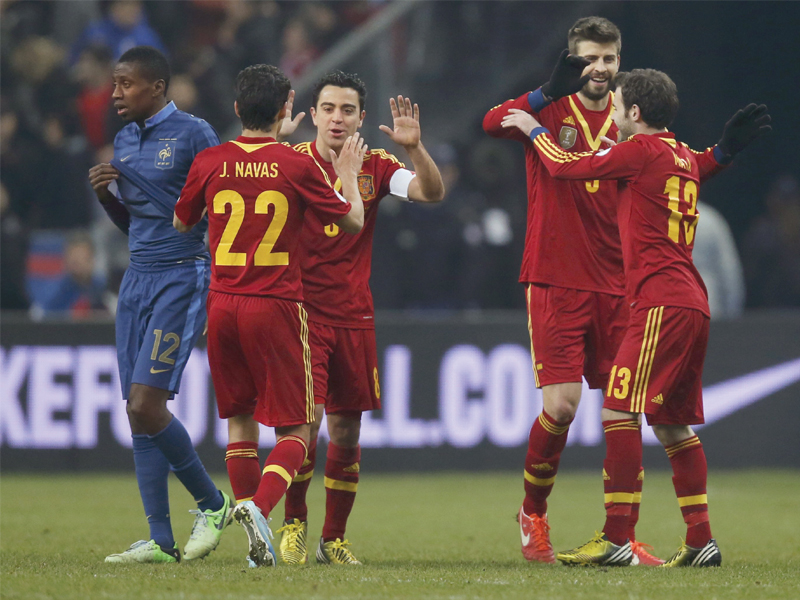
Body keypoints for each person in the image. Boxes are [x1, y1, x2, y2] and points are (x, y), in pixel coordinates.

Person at [501, 68, 770, 566]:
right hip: (692, 302)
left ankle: (616, 536)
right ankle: (699, 540)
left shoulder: (639, 150)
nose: (613, 114)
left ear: (635, 113)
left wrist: (533, 128)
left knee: (618, 411)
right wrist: (724, 153)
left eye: (619, 106)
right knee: (672, 425)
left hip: (658, 302)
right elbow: (703, 162)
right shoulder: (680, 155)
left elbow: (563, 167)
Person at [483, 17, 662, 565]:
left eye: (610, 58)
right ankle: (532, 514)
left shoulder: (630, 118)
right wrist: (543, 92)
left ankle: (620, 537)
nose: (601, 69)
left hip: (618, 280)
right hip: (556, 275)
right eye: (590, 58)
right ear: (572, 59)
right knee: (560, 406)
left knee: (623, 410)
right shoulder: (548, 107)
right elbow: (490, 123)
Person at [173, 63, 367, 568]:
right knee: (298, 432)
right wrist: (347, 176)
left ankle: (250, 534)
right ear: (288, 111)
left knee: (240, 422)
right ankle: (259, 510)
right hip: (277, 305)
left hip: (222, 304)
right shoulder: (295, 165)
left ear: (237, 109)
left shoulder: (212, 160)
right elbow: (352, 220)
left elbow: (180, 221)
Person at [251, 70, 444, 565]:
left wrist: (415, 148)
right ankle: (293, 525)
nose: (338, 119)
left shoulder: (376, 165)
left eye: (349, 110)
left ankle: (332, 539)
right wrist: (272, 139)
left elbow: (430, 192)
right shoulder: (290, 161)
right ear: (312, 115)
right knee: (304, 425)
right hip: (300, 315)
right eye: (330, 109)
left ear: (361, 116)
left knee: (347, 431)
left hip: (354, 315)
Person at [88, 46, 231, 564]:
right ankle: (161, 540)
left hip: (181, 276)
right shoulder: (124, 141)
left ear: (157, 86)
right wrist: (109, 201)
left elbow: (216, 214)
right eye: (114, 83)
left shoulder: (195, 134)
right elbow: (139, 227)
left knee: (147, 405)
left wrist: (222, 282)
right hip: (137, 279)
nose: (116, 93)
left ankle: (213, 504)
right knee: (137, 412)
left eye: (125, 83)